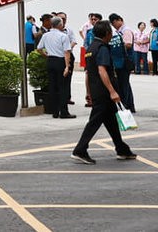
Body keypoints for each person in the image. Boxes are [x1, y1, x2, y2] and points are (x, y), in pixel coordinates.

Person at [71, 20, 137, 165]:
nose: (112, 35)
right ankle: (80, 150)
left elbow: (88, 73)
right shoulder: (102, 49)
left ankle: (121, 149)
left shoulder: (90, 48)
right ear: (107, 34)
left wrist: (89, 92)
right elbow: (102, 70)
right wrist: (112, 91)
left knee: (111, 121)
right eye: (111, 32)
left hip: (96, 90)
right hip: (104, 92)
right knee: (94, 122)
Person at [37, 16, 75, 119]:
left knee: (52, 87)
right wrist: (67, 66)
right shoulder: (63, 36)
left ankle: (54, 111)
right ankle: (64, 112)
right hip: (60, 61)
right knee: (63, 87)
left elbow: (39, 48)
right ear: (60, 24)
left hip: (50, 61)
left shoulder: (46, 35)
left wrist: (46, 55)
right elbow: (67, 52)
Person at [108, 13, 135, 112]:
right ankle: (130, 106)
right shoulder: (118, 31)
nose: (114, 25)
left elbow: (128, 44)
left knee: (123, 84)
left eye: (114, 22)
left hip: (125, 61)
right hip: (121, 61)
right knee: (125, 84)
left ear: (119, 20)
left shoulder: (126, 30)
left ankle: (126, 105)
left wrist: (117, 46)